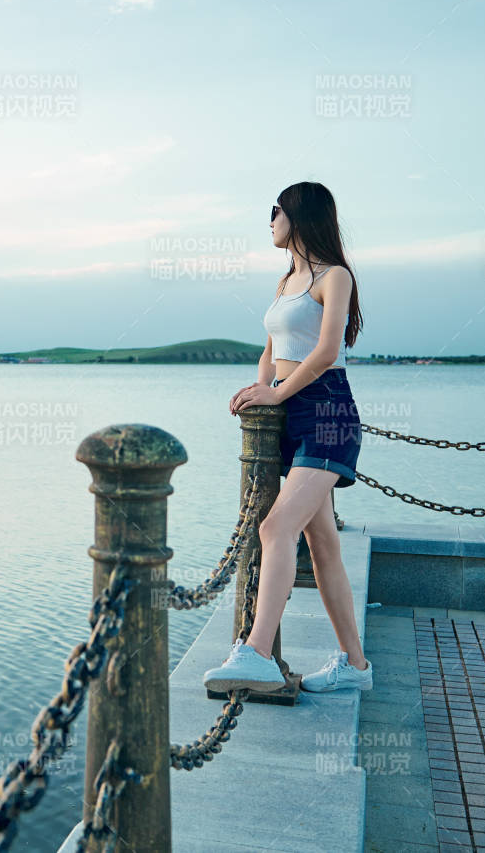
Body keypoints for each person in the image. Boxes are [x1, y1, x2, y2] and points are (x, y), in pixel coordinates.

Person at [202, 181, 373, 696]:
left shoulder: (334, 276)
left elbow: (325, 352)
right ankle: (357, 667)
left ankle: (256, 653)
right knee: (322, 546)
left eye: (274, 210)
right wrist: (260, 389)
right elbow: (272, 347)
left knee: (276, 529)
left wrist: (277, 394)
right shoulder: (287, 280)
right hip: (291, 412)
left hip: (327, 412)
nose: (270, 220)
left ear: (298, 214)